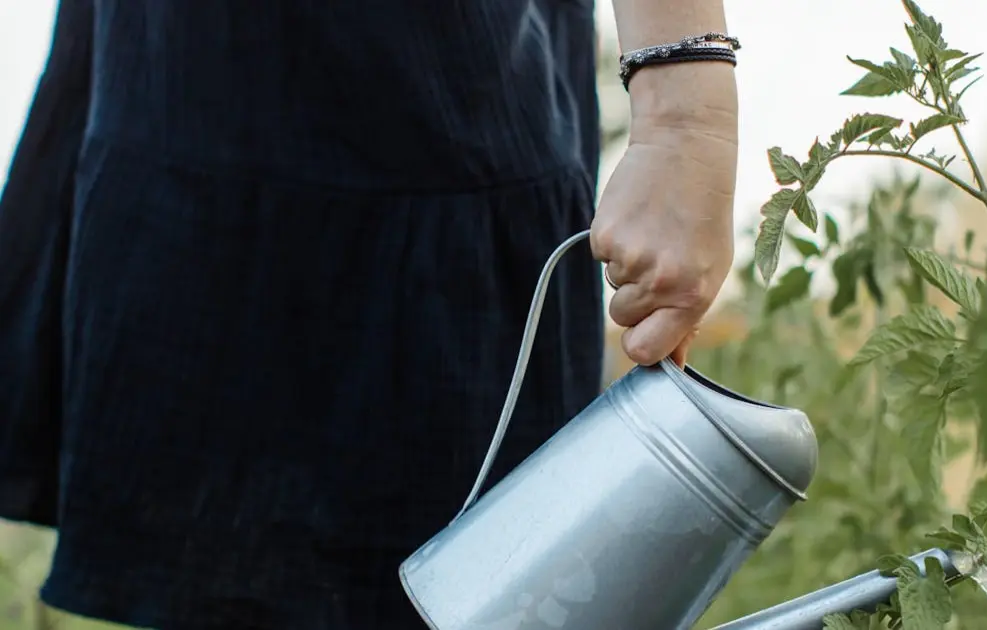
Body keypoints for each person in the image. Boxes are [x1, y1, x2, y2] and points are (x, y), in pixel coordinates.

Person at [0, 0, 738, 628]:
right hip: (188, 88)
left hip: (432, 95)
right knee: (226, 581)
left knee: (479, 589)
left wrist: (686, 121)